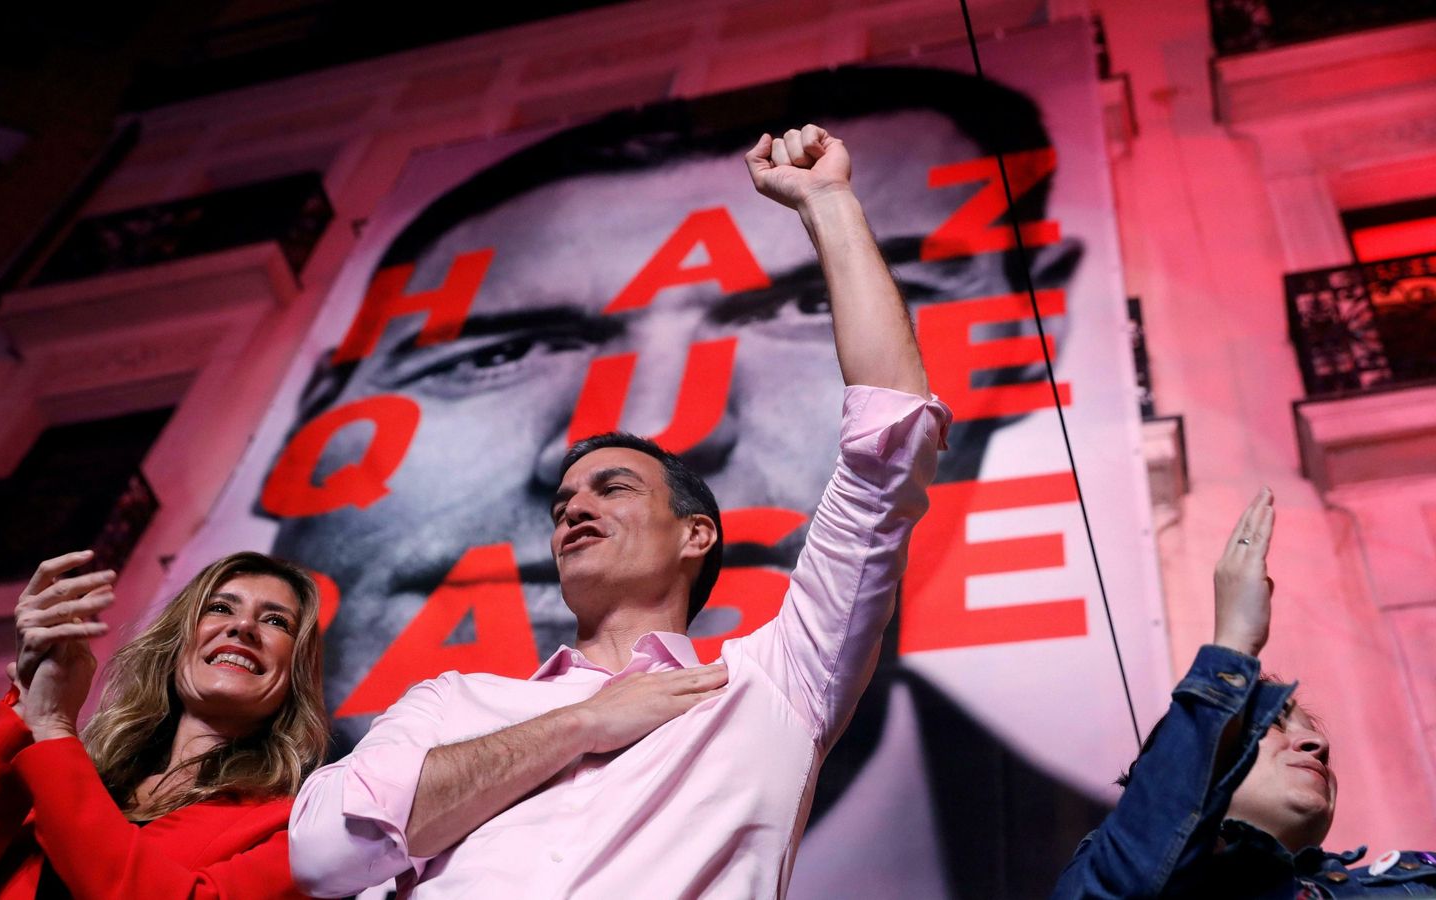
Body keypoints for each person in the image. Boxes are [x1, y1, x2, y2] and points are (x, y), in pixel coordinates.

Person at [271, 64, 1101, 896]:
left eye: (614, 488)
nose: (571, 504)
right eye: (504, 351)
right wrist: (582, 724)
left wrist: (828, 205)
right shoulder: (452, 704)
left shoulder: (774, 683)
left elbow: (889, 440)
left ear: (697, 534)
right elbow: (323, 853)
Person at [1052, 488, 1436, 898]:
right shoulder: (1112, 873)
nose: (1318, 744)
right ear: (1198, 764)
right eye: (1271, 726)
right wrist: (1233, 645)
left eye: (1308, 731)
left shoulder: (1411, 883)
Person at [0, 549, 329, 898]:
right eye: (218, 608)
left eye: (276, 621)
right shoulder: (60, 779)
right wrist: (28, 705)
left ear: (296, 676)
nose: (243, 626)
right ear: (174, 646)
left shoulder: (296, 830)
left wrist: (54, 728)